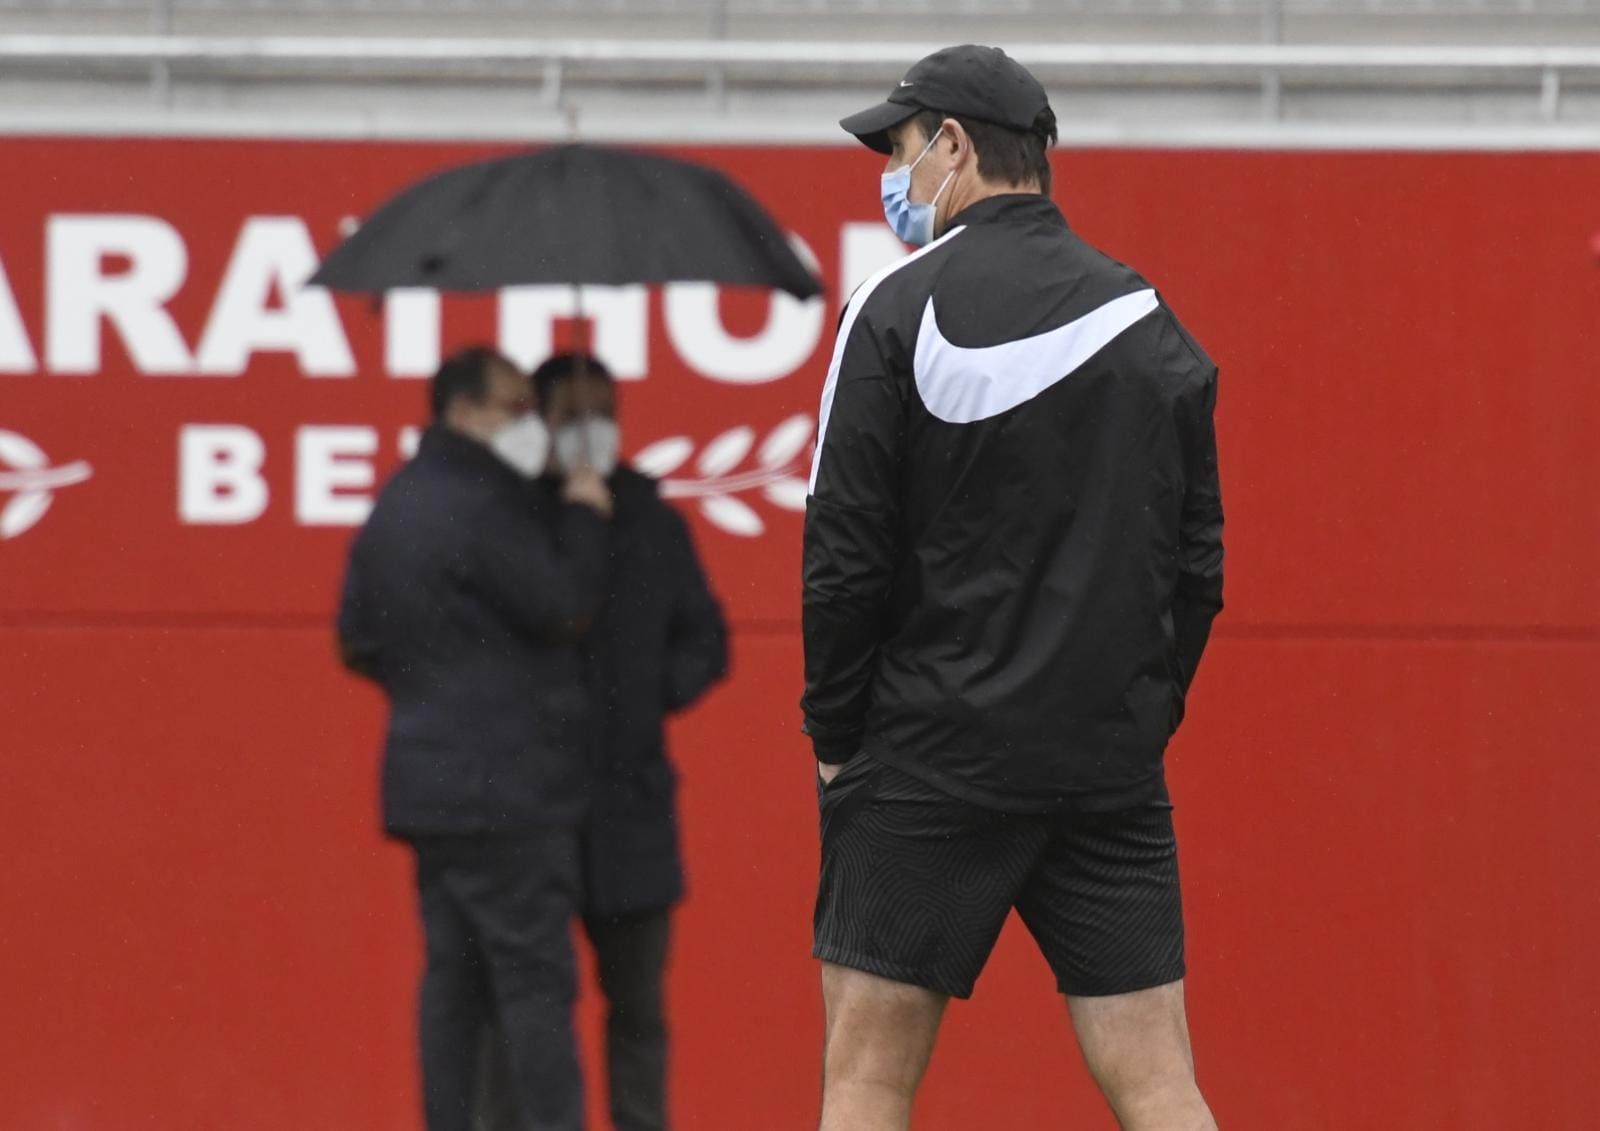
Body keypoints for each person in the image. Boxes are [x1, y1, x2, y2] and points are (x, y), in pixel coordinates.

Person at [802, 45, 1225, 1131]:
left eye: (897, 148)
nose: (890, 177)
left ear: (951, 146)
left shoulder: (895, 305)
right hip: (1104, 767)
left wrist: (837, 740)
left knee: (866, 1080)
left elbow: (843, 556)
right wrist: (1135, 718)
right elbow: (1196, 565)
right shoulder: (1146, 315)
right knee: (1159, 1082)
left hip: (927, 757)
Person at [337, 346, 614, 1131]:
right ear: (464, 412)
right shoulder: (487, 503)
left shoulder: (397, 502)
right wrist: (586, 513)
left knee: (452, 986)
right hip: (509, 791)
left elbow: (355, 638)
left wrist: (437, 687)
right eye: (514, 407)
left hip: (428, 786)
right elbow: (563, 603)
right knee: (533, 985)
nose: (530, 424)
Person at [477, 351, 730, 1131]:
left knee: (639, 1013)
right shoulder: (512, 516)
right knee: (521, 1009)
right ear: (539, 422)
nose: (593, 426)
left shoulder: (653, 518)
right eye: (573, 412)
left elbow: (707, 641)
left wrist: (649, 695)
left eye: (605, 409)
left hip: (633, 810)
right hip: (533, 810)